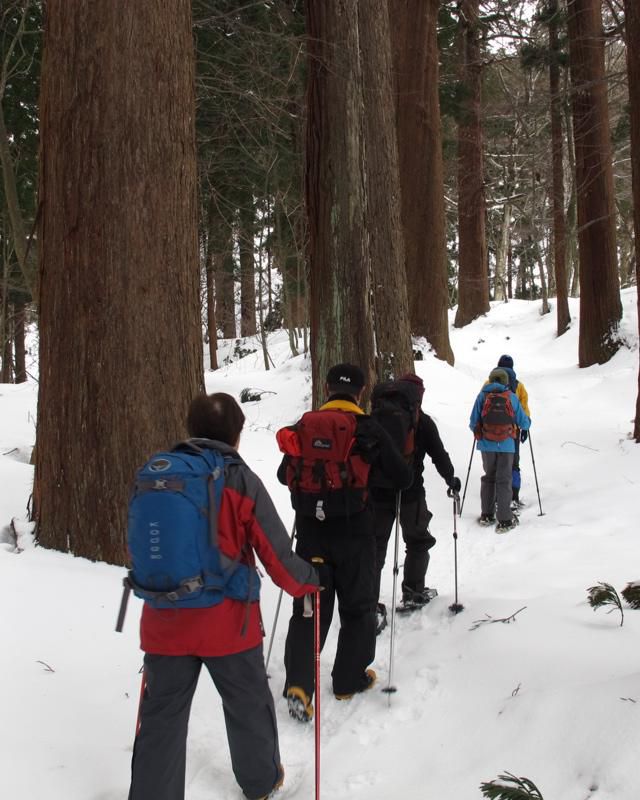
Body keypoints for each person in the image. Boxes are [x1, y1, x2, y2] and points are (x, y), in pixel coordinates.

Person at [128, 393, 319, 800]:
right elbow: (277, 556)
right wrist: (309, 581)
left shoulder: (159, 474)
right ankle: (261, 781)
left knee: (161, 716)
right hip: (228, 623)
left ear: (190, 427)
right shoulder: (238, 478)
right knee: (247, 704)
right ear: (237, 433)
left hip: (165, 620)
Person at [277, 364, 411, 722]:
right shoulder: (368, 428)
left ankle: (300, 687)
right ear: (362, 391)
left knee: (308, 610)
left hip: (310, 534)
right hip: (354, 534)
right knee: (357, 606)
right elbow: (403, 475)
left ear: (325, 387)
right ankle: (347, 680)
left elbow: (282, 474)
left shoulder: (305, 425)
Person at [371, 373, 460, 625]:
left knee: (375, 546)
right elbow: (438, 455)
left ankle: (368, 602)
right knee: (418, 540)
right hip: (410, 491)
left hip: (377, 492)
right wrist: (451, 480)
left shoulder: (375, 416)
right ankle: (413, 592)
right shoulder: (422, 421)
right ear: (418, 395)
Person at [469, 368, 531, 533]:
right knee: (504, 479)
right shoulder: (511, 396)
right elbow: (523, 422)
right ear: (505, 381)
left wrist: (481, 431)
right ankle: (504, 519)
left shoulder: (482, 396)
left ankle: (487, 515)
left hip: (486, 445)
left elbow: (472, 422)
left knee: (489, 478)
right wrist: (527, 424)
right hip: (507, 445)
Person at [496, 355, 531, 507]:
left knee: (497, 465)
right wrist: (525, 428)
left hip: (491, 432)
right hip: (512, 432)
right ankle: (514, 497)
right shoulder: (519, 386)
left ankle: (497, 498)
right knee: (513, 464)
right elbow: (524, 408)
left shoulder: (488, 384)